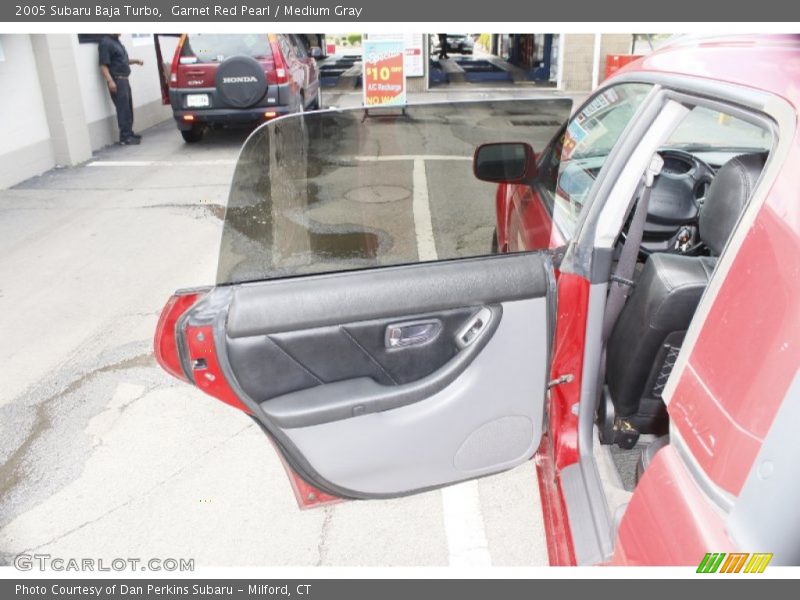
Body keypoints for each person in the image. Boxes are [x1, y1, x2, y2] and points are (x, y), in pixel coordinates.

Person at [98, 34, 144, 145]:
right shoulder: (106, 43)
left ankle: (129, 133)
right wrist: (110, 81)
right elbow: (103, 65)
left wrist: (136, 61)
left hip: (124, 79)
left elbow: (122, 60)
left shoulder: (117, 42)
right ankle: (125, 137)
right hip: (117, 80)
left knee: (128, 108)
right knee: (123, 109)